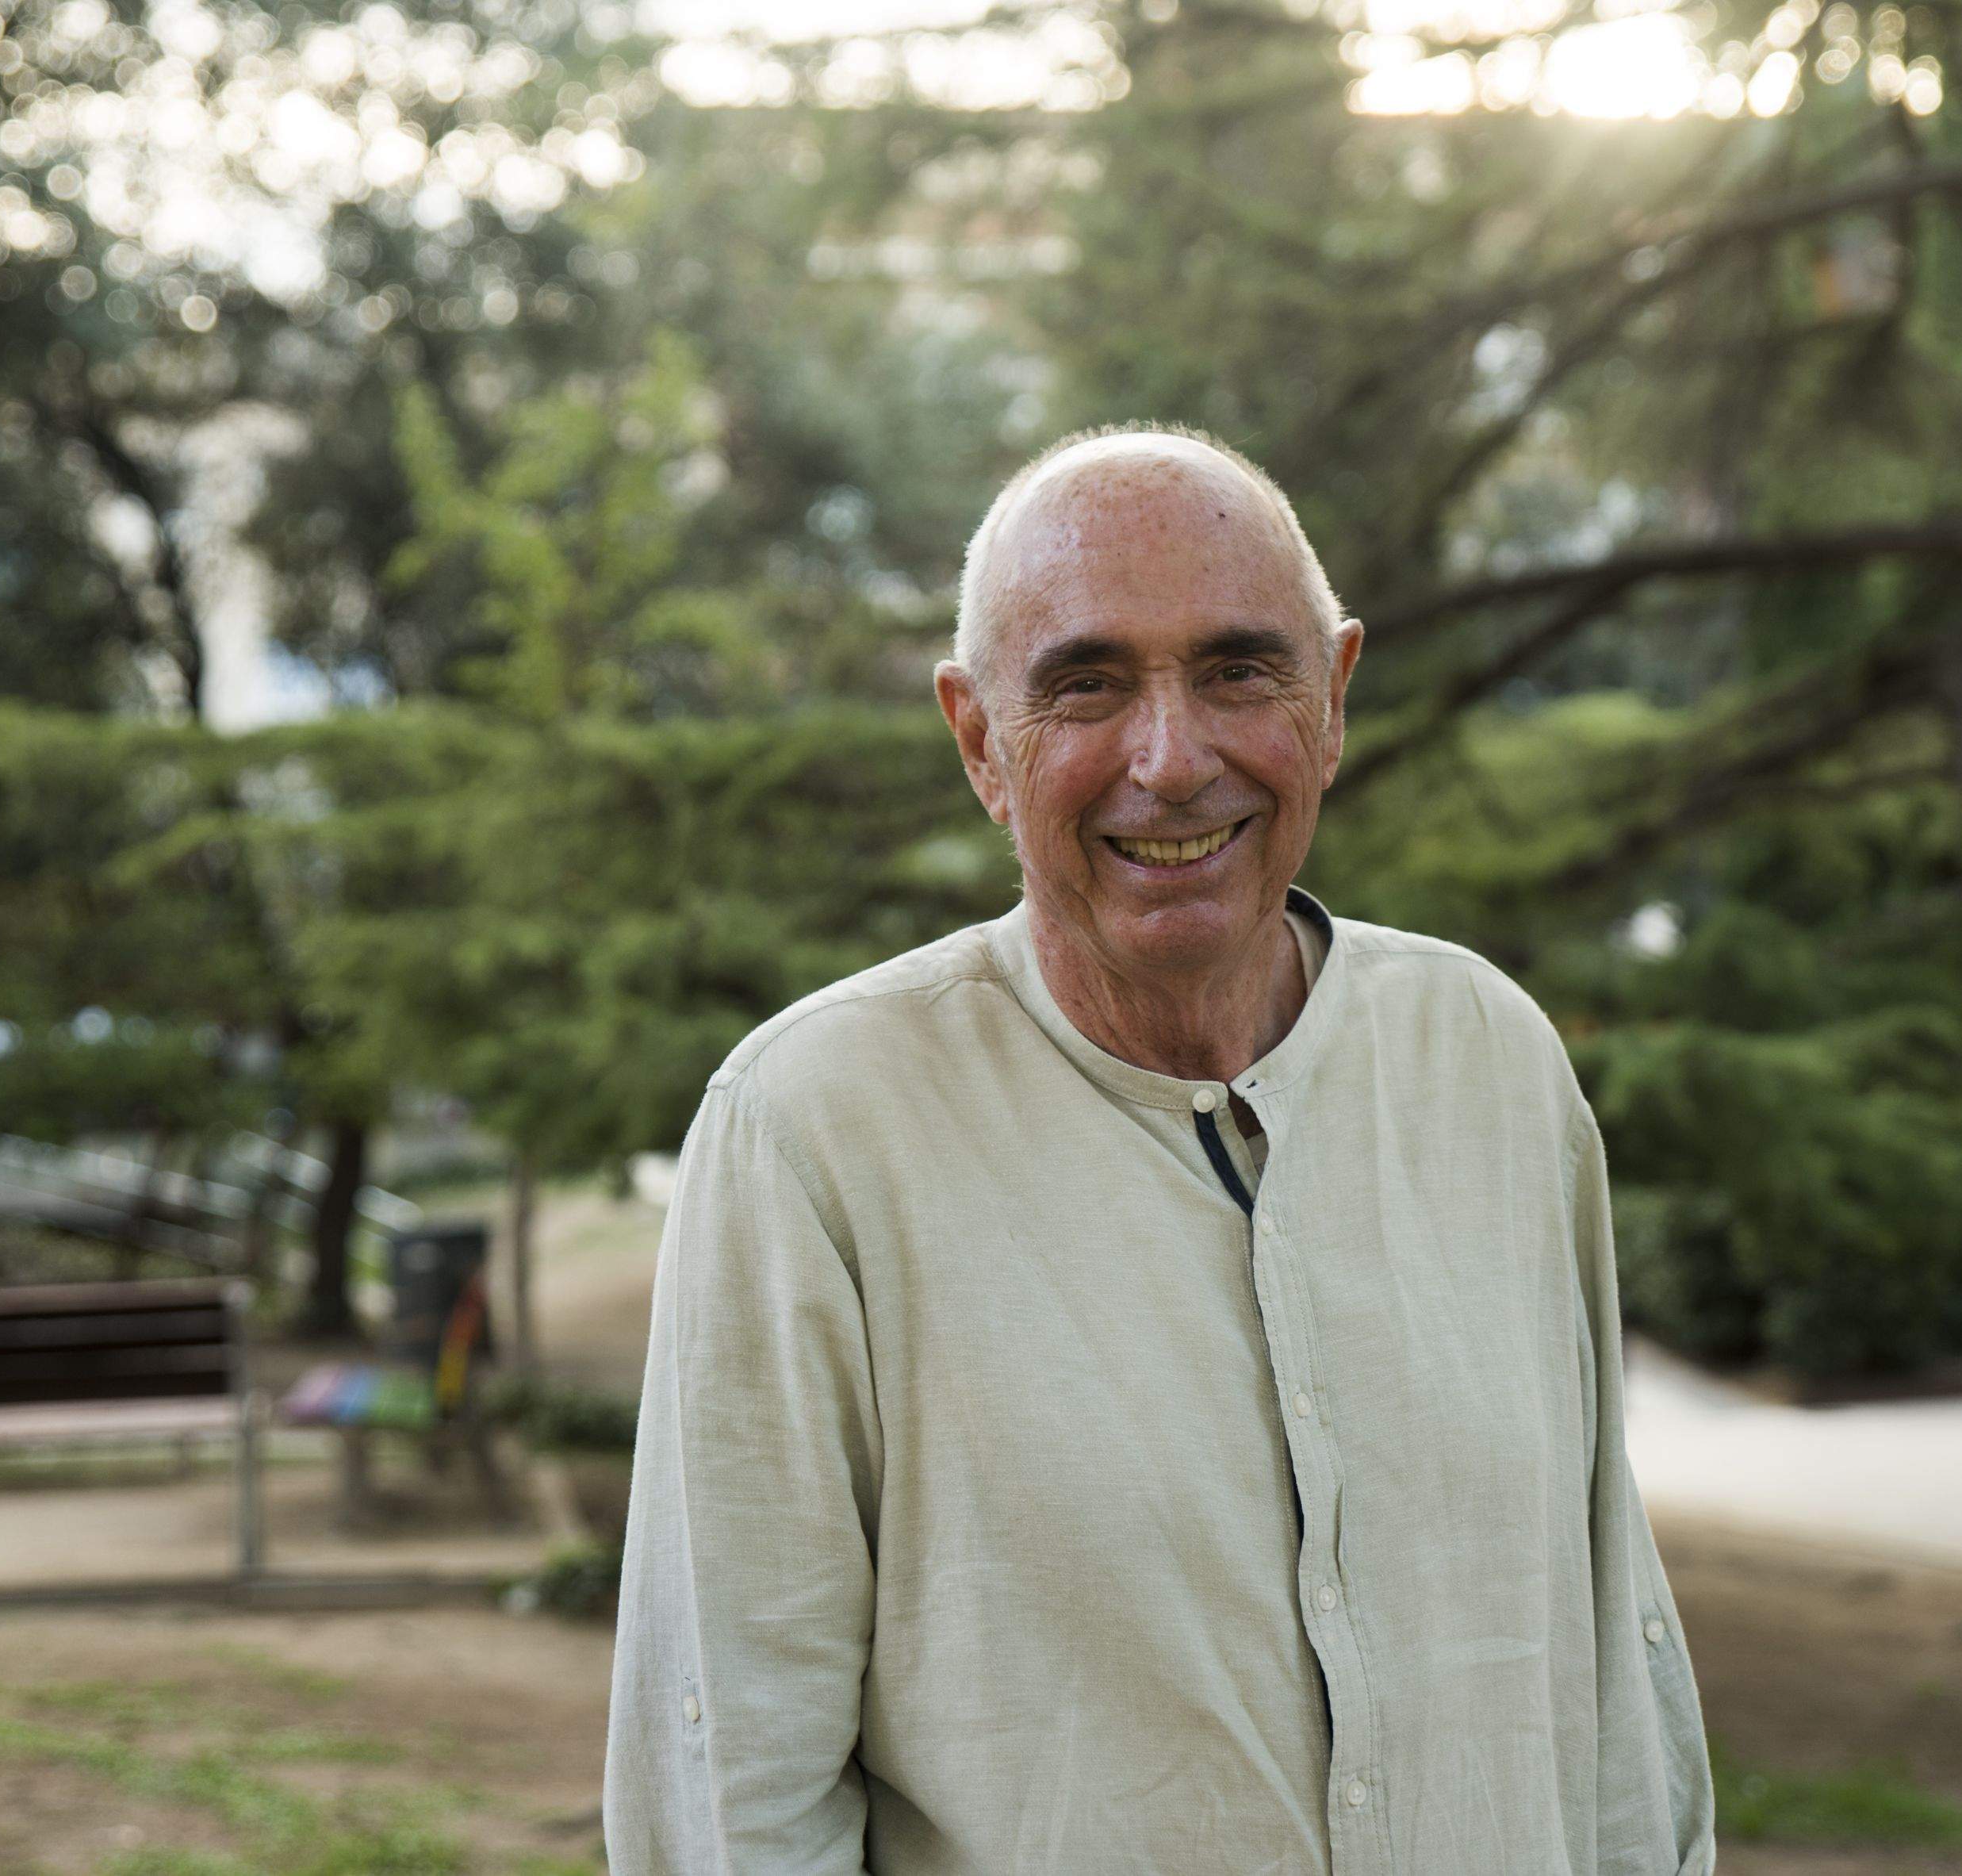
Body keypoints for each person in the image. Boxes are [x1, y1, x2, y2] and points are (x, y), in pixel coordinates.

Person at [604, 425, 1715, 1874]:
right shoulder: (811, 1135)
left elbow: (1607, 1668)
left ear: (1334, 701)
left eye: (1240, 670)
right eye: (1084, 686)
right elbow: (730, 1788)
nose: (1169, 759)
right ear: (975, 743)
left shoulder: (1489, 1064)